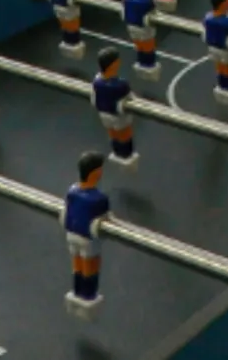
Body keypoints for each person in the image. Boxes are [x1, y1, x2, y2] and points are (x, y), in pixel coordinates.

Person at [62, 149, 109, 318]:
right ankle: (88, 296)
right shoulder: (99, 199)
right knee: (91, 265)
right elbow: (105, 219)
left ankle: (77, 291)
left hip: (71, 234)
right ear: (95, 173)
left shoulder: (72, 190)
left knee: (77, 263)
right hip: (87, 238)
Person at [90, 48, 137, 167]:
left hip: (103, 113)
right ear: (113, 65)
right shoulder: (121, 85)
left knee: (112, 132)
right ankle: (126, 155)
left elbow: (94, 97)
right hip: (118, 115)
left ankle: (117, 152)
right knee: (124, 134)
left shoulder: (97, 81)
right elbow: (131, 98)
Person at [120, 0, 160, 71]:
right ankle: (149, 67)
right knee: (148, 48)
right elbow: (154, 12)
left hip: (131, 27)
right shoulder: (146, 0)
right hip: (144, 29)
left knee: (139, 46)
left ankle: (141, 63)